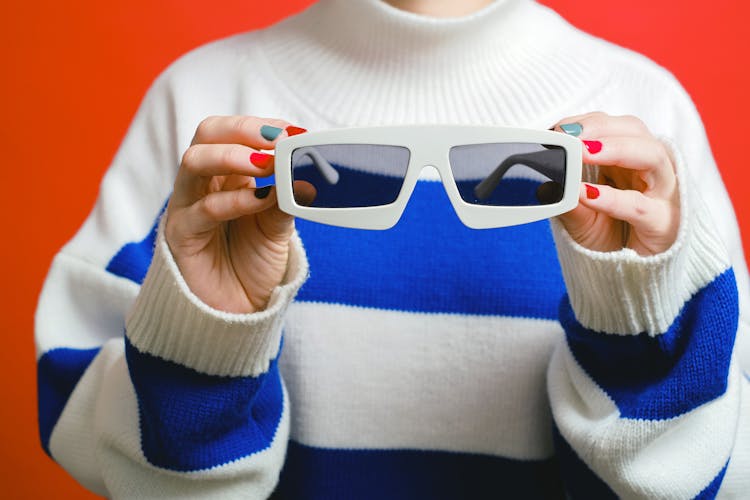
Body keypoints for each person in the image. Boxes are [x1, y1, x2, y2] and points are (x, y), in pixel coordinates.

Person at [35, 0, 749, 497]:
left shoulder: (644, 120)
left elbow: (709, 474)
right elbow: (139, 475)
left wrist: (638, 322)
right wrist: (203, 339)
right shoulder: (205, 112)